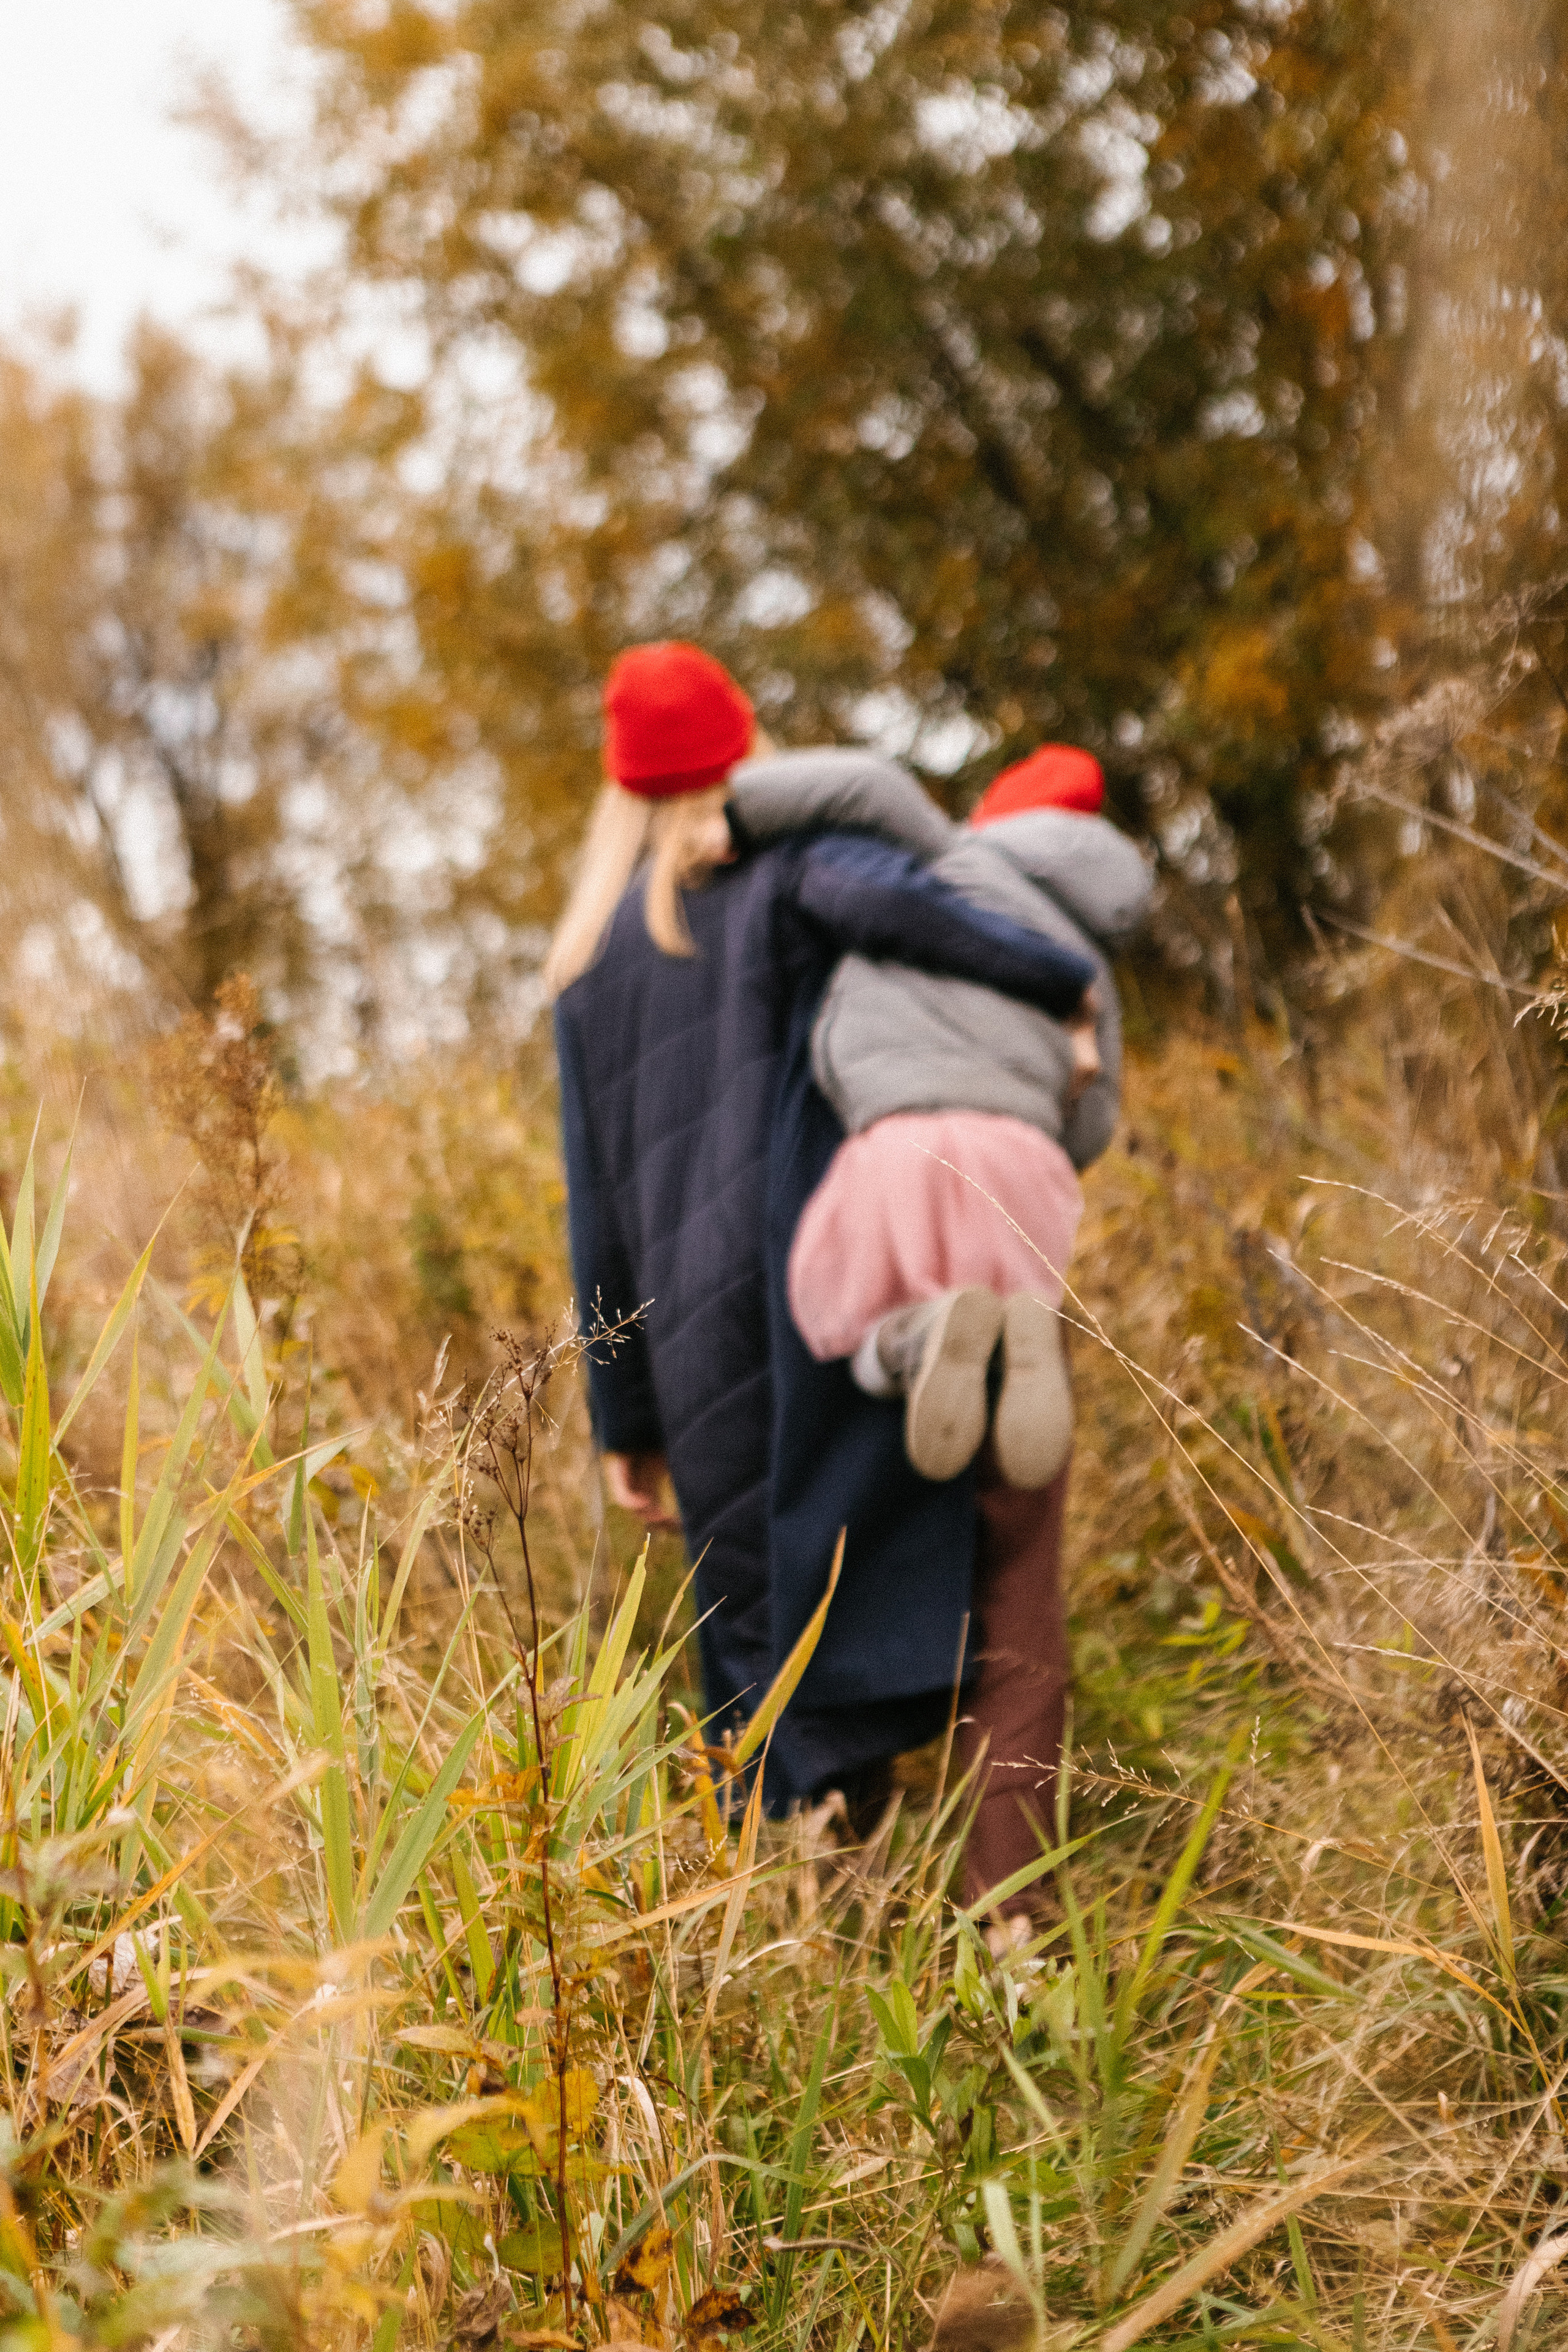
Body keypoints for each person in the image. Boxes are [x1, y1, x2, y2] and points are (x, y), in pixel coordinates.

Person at [546, 643, 1096, 1882]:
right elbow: (929, 915)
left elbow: (600, 1227)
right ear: (744, 756)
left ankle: (812, 1932)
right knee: (962, 1575)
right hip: (840, 1300)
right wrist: (1067, 986)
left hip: (696, 1359)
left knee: (758, 1630)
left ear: (618, 790)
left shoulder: (584, 976)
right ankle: (1006, 1926)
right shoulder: (794, 867)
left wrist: (622, 1421)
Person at [726, 742, 1152, 1487]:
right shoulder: (1089, 959)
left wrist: (729, 811)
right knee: (1012, 1300)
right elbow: (1093, 1121)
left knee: (844, 1307)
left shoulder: (944, 861)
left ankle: (913, 1337)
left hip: (901, 1142)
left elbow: (863, 783)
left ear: (995, 821)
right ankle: (1019, 1341)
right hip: (1025, 1164)